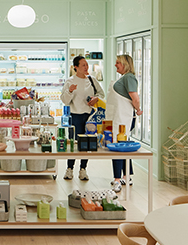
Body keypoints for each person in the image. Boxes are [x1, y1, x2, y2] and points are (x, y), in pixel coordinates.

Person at [60, 55, 104, 181]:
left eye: (87, 65)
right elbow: (65, 100)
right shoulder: (70, 81)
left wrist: (96, 98)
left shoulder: (92, 80)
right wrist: (70, 91)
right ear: (76, 67)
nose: (86, 67)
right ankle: (69, 169)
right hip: (75, 116)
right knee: (74, 144)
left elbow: (101, 94)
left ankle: (83, 169)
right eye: (83, 65)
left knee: (87, 144)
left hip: (89, 116)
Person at [107, 54, 142, 191]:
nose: (115, 65)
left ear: (125, 64)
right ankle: (127, 176)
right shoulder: (125, 78)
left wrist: (138, 109)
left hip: (122, 119)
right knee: (124, 146)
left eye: (118, 63)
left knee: (117, 147)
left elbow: (135, 98)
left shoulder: (129, 78)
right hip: (120, 117)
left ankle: (117, 179)